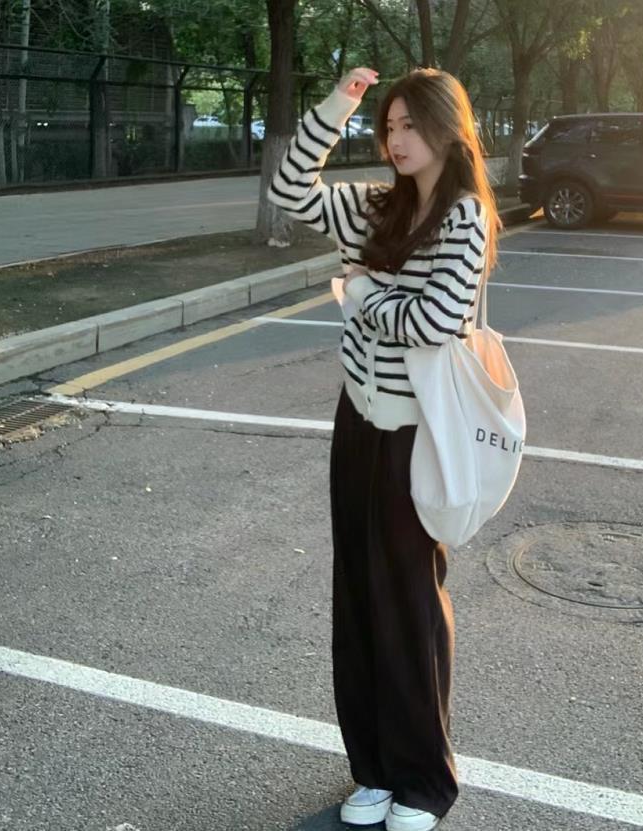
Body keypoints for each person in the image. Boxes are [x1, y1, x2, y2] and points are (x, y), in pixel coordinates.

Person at [267, 65, 501, 831]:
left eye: (410, 126)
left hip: (418, 434)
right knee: (358, 596)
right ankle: (371, 768)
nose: (397, 140)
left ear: (447, 129)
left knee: (409, 602)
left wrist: (363, 293)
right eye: (389, 127)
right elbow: (290, 189)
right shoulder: (373, 205)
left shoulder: (465, 217)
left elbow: (433, 323)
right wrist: (340, 104)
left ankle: (423, 779)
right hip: (359, 423)